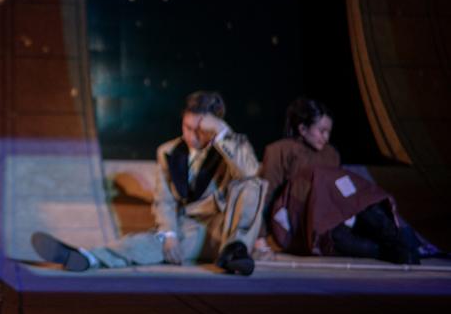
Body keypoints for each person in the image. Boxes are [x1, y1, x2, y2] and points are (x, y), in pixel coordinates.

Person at [32, 91, 267, 276]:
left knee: (251, 184)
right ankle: (89, 257)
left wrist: (222, 132)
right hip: (192, 231)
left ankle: (236, 253)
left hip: (224, 231)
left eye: (200, 130)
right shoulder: (168, 151)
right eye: (187, 127)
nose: (192, 136)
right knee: (150, 242)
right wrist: (169, 234)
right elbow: (164, 199)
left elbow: (250, 172)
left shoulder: (230, 147)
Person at [257, 97, 419, 264]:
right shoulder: (280, 150)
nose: (326, 138)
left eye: (329, 132)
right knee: (337, 238)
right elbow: (265, 196)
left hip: (331, 214)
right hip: (301, 222)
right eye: (322, 131)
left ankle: (398, 241)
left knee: (365, 203)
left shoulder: (331, 153)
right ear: (303, 129)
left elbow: (339, 191)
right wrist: (260, 237)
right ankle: (387, 251)